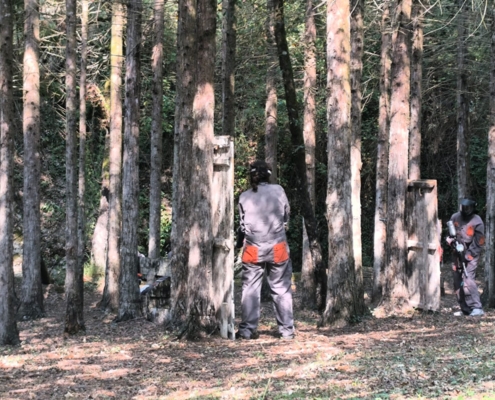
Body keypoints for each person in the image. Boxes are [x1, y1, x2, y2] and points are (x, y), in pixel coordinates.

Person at [235, 160, 295, 340]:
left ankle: (247, 330)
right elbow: (286, 215)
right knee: (281, 288)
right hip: (278, 246)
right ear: (268, 175)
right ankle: (287, 331)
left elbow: (242, 225)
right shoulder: (279, 191)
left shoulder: (244, 196)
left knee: (250, 288)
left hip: (253, 247)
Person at [446, 198, 485, 317]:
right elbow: (449, 234)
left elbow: (479, 242)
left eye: (468, 208)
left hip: (471, 255)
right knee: (457, 281)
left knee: (468, 279)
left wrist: (468, 255)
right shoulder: (455, 217)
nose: (465, 210)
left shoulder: (477, 221)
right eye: (463, 208)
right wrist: (450, 241)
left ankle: (476, 307)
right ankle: (465, 309)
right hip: (456, 253)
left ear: (473, 208)